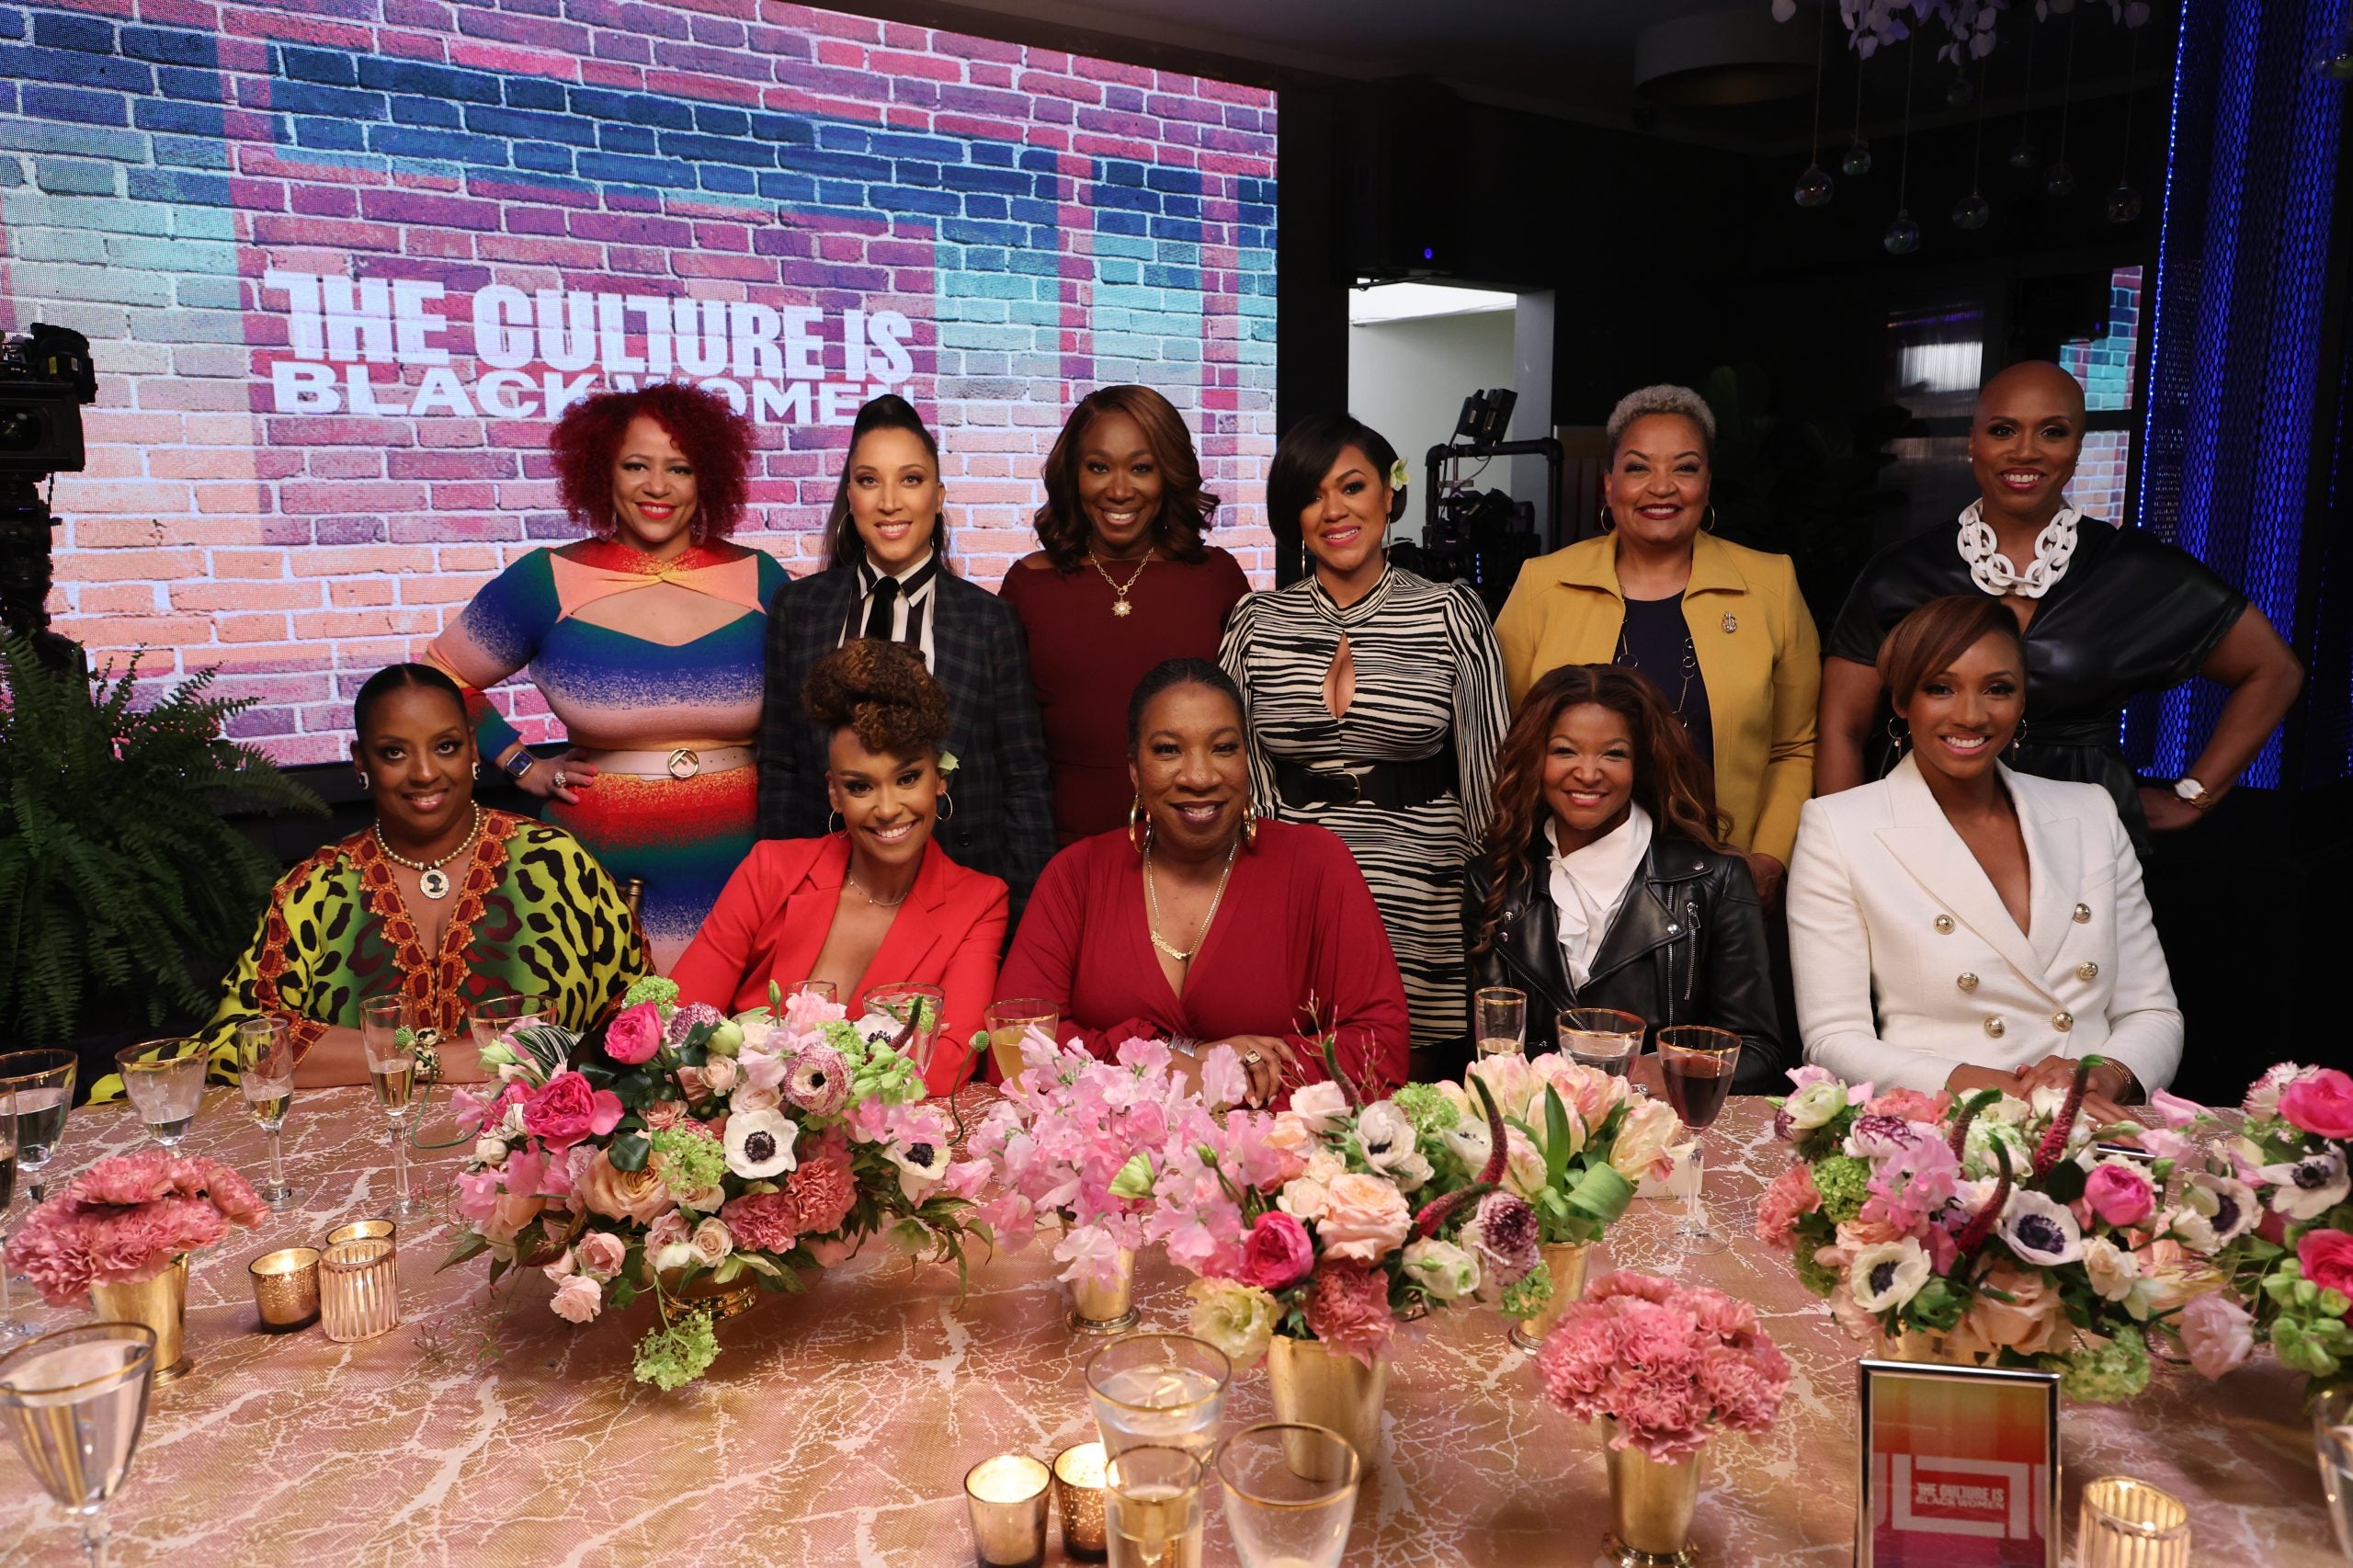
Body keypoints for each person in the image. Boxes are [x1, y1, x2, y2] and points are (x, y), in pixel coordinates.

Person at [1816, 360, 2303, 854]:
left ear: (2077, 448)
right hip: (1917, 828)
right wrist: (1845, 851)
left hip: (2085, 835)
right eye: (2003, 430)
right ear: (1973, 442)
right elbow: (1842, 727)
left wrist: (2194, 796)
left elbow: (2274, 670)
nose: (2025, 450)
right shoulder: (1900, 573)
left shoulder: (2133, 570)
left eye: (2052, 432)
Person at [426, 382, 783, 971]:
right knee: (610, 1026)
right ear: (603, 472)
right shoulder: (548, 578)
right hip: (596, 874)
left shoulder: (759, 577)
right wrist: (520, 764)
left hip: (744, 868)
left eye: (680, 468)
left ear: (708, 478)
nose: (657, 487)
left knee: (744, 1029)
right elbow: (439, 675)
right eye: (636, 465)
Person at [1788, 596, 2181, 1112]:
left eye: (1998, 689)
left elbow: (2153, 1012)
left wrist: (2102, 1076)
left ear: (2022, 700)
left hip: (2092, 1123)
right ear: (1902, 701)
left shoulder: (2091, 811)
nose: (1971, 715)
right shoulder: (1839, 827)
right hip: (1942, 1124)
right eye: (1940, 688)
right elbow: (1833, 1038)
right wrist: (2003, 1089)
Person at [171, 665, 645, 1092]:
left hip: (533, 1145)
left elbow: (640, 1016)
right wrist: (426, 1059)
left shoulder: (556, 864)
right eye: (394, 752)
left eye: (446, 747)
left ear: (473, 748)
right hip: (363, 1147)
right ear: (361, 761)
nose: (424, 773)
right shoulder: (315, 889)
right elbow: (238, 1040)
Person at [1221, 413, 1508, 1076]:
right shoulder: (1256, 621)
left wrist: (1489, 903)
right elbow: (1238, 771)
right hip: (1291, 883)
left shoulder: (1450, 613)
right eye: (1311, 496)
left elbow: (1490, 777)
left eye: (1352, 487)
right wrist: (1257, 882)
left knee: (1412, 1085)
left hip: (1424, 887)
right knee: (1295, 1078)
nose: (1334, 511)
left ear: (1389, 494)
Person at [996, 660, 1410, 1108]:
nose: (1199, 777)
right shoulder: (1077, 875)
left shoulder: (1317, 865)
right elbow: (1016, 1042)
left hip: (1275, 1149)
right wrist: (1188, 1059)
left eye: (1223, 747)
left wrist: (1228, 1075)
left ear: (1248, 760)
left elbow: (1380, 1049)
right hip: (1110, 1150)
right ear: (1134, 770)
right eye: (1168, 750)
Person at [1493, 384, 1820, 901]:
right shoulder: (1543, 584)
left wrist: (1767, 861)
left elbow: (1793, 747)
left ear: (1707, 483)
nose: (1661, 487)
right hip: (1565, 883)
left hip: (1721, 884)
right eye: (1638, 467)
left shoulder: (1770, 586)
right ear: (1609, 484)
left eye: (1685, 468)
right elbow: (1503, 737)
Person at [758, 394, 1054, 919]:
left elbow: (1025, 780)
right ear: (850, 496)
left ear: (937, 497)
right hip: (824, 899)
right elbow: (780, 768)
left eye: (911, 480)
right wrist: (780, 904)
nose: (890, 502)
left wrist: (1024, 922)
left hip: (959, 901)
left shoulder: (989, 621)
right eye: (869, 481)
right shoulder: (798, 610)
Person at [673, 641, 1006, 1096]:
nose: (887, 808)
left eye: (908, 778)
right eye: (860, 786)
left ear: (940, 780)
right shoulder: (769, 871)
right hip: (744, 1120)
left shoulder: (980, 902)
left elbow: (946, 1065)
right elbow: (681, 1025)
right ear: (834, 793)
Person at [1459, 665, 1781, 1093]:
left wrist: (1668, 1072)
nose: (1588, 773)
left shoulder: (1715, 881)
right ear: (1535, 759)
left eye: (1613, 754)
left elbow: (1758, 1052)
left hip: (1667, 1125)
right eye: (1564, 751)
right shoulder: (1494, 881)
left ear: (1641, 762)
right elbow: (1491, 1050)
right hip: (1539, 1123)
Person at [1002, 385, 1252, 846]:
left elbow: (1246, 735)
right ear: (1073, 474)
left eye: (1141, 468)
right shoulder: (1030, 586)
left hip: (1199, 844)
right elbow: (1007, 750)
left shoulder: (1216, 578)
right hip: (1062, 849)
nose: (1119, 491)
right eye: (1099, 467)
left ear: (1169, 474)